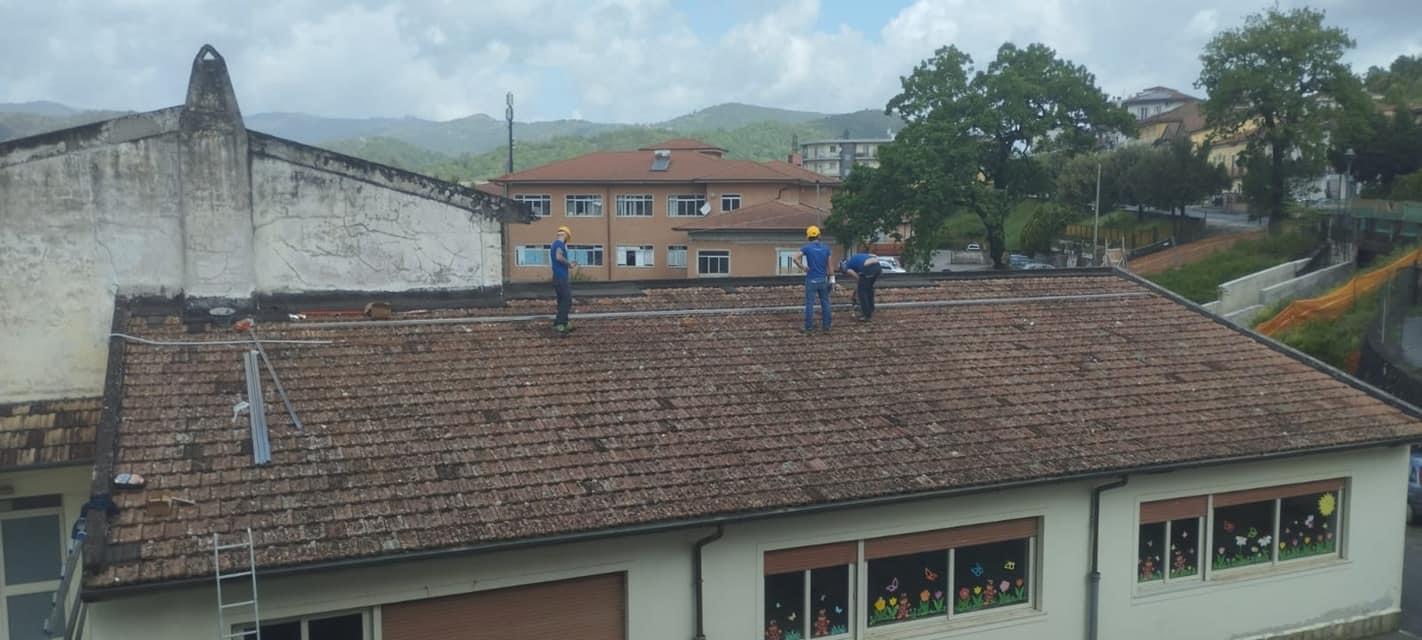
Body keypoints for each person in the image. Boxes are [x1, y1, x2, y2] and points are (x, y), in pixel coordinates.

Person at [793, 225, 832, 333]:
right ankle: (826, 327)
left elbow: (795, 258)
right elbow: (830, 266)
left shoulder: (806, 248)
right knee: (825, 303)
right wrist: (832, 279)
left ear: (808, 237)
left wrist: (803, 267)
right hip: (823, 280)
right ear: (819, 235)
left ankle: (808, 327)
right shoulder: (826, 248)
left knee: (810, 304)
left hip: (811, 280)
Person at [839, 252, 882, 320]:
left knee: (862, 292)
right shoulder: (855, 258)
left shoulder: (847, 268)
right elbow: (874, 255)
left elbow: (858, 278)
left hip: (868, 268)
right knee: (869, 289)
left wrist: (856, 292)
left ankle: (866, 315)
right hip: (877, 267)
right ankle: (871, 309)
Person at [550, 226, 578, 334]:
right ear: (565, 235)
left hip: (557, 277)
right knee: (567, 300)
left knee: (562, 300)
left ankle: (564, 322)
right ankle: (560, 323)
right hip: (561, 277)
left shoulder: (553, 244)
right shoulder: (559, 244)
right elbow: (558, 257)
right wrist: (569, 264)